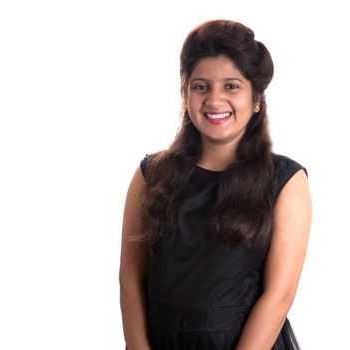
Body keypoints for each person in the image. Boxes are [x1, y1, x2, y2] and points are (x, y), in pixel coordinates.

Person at [119, 19, 312, 350]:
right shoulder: (151, 174)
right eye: (201, 86)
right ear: (185, 93)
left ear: (256, 100)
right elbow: (131, 280)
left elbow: (278, 297)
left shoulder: (285, 182)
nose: (215, 100)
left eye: (232, 86)